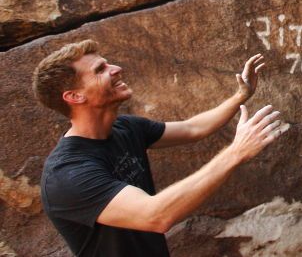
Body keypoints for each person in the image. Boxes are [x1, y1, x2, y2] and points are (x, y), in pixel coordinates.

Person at [33, 39, 288, 256]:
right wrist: (236, 152)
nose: (116, 68)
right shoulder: (67, 174)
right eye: (100, 69)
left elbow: (192, 129)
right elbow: (155, 216)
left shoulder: (124, 128)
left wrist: (240, 96)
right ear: (75, 96)